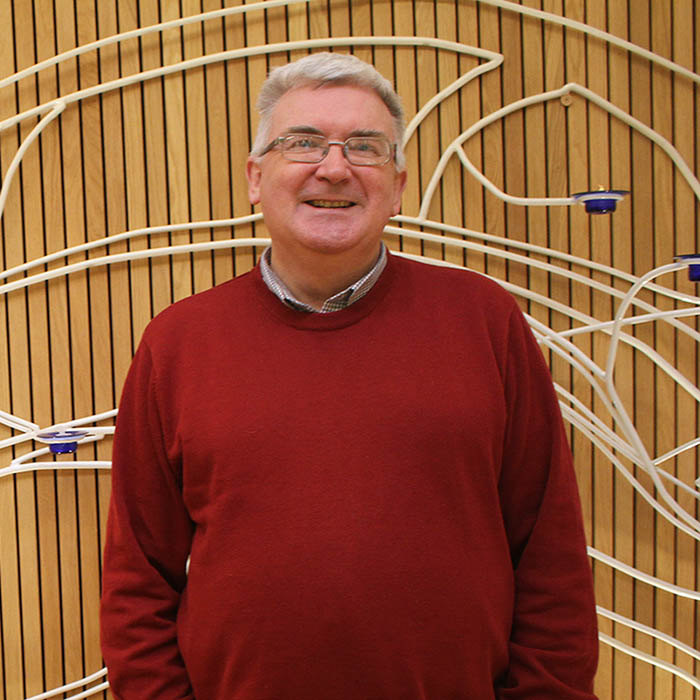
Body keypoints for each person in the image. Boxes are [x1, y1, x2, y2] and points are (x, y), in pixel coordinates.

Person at [100, 52, 599, 699]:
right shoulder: (177, 343)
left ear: (397, 185)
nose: (333, 168)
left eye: (364, 148)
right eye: (303, 143)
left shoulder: (485, 321)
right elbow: (138, 579)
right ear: (256, 178)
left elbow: (550, 557)